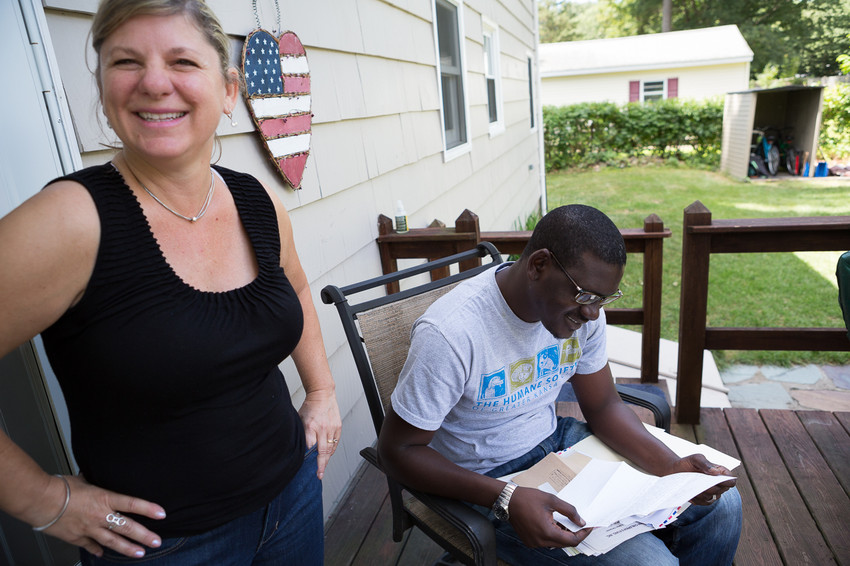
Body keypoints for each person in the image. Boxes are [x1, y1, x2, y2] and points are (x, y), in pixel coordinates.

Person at [0, 0, 340, 564]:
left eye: (182, 61)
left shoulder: (256, 200)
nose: (155, 82)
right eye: (126, 62)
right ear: (105, 88)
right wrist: (43, 499)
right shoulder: (68, 221)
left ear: (229, 90)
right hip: (166, 546)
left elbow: (298, 289)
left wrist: (323, 392)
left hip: (293, 497)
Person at [378, 205, 742, 565]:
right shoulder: (452, 333)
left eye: (603, 299)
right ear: (539, 265)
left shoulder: (582, 312)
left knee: (722, 505)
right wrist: (506, 496)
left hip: (558, 446)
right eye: (586, 296)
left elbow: (604, 407)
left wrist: (672, 466)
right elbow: (397, 451)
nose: (592, 313)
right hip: (481, 480)